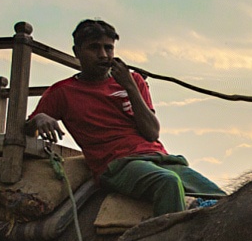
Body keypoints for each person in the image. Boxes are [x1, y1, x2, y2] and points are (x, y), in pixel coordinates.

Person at [26, 19, 225, 216]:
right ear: (77, 51)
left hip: (159, 158)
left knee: (224, 199)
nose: (103, 55)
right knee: (167, 182)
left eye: (108, 48)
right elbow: (28, 128)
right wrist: (40, 118)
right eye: (94, 48)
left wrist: (130, 86)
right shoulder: (62, 92)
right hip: (117, 165)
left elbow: (151, 133)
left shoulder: (133, 81)